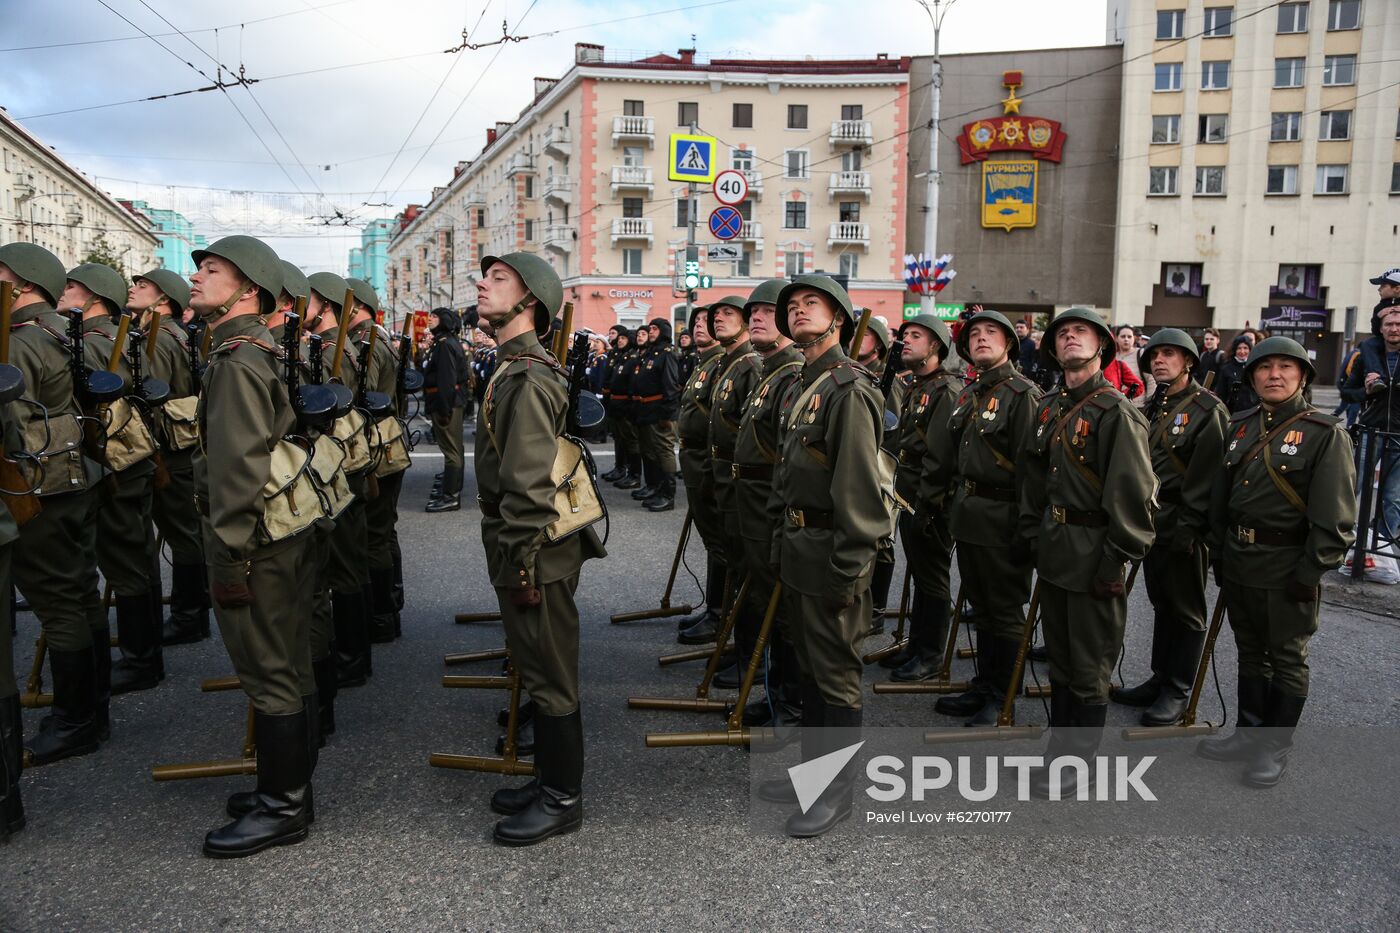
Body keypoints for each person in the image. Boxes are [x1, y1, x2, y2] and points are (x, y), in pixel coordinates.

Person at [189, 235, 318, 858]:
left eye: (212, 269)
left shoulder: (238, 361)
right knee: (288, 660)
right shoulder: (251, 350)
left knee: (268, 670)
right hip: (276, 534)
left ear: (247, 290)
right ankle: (290, 789)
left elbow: (237, 472)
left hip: (254, 541)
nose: (197, 276)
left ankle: (282, 808)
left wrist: (227, 558)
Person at [472, 252, 605, 846]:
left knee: (550, 674)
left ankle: (562, 798)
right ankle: (549, 778)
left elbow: (528, 487)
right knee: (535, 664)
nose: (483, 284)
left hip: (534, 548)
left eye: (499, 279)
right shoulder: (513, 367)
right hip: (523, 542)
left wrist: (520, 564)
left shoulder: (527, 376)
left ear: (531, 302)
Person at [756, 274, 885, 838]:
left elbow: (859, 493)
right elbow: (787, 473)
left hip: (833, 551)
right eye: (793, 305)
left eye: (813, 303)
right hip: (799, 547)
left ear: (839, 319)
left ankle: (835, 795)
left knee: (835, 677)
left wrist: (847, 571)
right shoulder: (800, 383)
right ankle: (814, 774)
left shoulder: (847, 389)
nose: (799, 310)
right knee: (810, 670)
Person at [1198, 337, 1355, 787]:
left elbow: (1335, 519)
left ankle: (1273, 748)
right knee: (1250, 650)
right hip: (1241, 560)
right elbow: (1221, 498)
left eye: (1286, 366)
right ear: (1252, 377)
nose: (1275, 375)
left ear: (1303, 376)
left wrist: (1311, 572)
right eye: (1265, 367)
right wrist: (1219, 553)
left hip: (1288, 565)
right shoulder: (1240, 425)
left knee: (1286, 657)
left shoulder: (1325, 434)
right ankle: (1248, 735)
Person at [1018, 308, 1155, 798]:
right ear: (1053, 349)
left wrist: (1114, 562)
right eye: (1062, 333)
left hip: (1096, 551)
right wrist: (1034, 536)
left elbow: (1133, 497)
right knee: (1060, 657)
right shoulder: (1049, 406)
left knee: (1090, 664)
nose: (1070, 338)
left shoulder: (1116, 412)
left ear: (1103, 346)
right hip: (1056, 547)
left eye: (1081, 331)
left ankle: (1078, 762)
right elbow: (1033, 479)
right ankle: (1058, 752)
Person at [1, 242, 108, 767]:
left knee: (58, 601)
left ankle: (74, 722)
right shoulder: (60, 331)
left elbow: (12, 427)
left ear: (23, 283)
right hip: (70, 475)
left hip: (34, 487)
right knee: (80, 591)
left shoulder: (20, 340)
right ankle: (93, 711)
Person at [1110, 329, 1227, 726]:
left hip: (1184, 523)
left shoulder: (1207, 409)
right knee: (1163, 603)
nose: (1159, 360)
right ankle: (1160, 677)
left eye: (1169, 354)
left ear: (1189, 361)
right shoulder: (1156, 406)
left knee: (1186, 609)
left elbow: (1208, 478)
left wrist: (1190, 530)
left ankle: (1177, 688)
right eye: (1155, 355)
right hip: (1154, 520)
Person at [934, 309, 1040, 724]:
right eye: (974, 333)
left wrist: (1027, 526)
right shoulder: (970, 393)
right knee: (981, 606)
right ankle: (985, 683)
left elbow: (1031, 469)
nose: (980, 338)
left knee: (1005, 610)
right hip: (971, 515)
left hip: (1004, 518)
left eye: (991, 332)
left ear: (1009, 343)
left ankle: (1003, 697)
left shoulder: (1022, 394)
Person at [66, 263, 164, 697]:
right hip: (130, 455)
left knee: (124, 562)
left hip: (115, 459)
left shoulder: (91, 343)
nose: (64, 291)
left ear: (95, 296)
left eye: (72, 286)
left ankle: (141, 660)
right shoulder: (121, 337)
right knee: (135, 555)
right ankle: (146, 654)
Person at [731, 278, 804, 737]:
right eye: (752, 312)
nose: (756, 317)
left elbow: (786, 458)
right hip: (752, 503)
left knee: (783, 611)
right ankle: (776, 694)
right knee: (764, 601)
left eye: (766, 311)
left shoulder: (792, 375)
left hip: (769, 505)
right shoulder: (768, 371)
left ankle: (790, 707)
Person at [129, 268, 210, 649]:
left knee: (183, 534)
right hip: (180, 444)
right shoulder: (174, 333)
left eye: (143, 285)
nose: (134, 288)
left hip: (168, 447)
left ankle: (188, 617)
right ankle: (192, 612)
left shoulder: (158, 338)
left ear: (164, 300)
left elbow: (151, 396)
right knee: (186, 531)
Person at [878, 314, 961, 683]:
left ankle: (930, 655)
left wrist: (928, 505)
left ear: (936, 347)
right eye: (905, 334)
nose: (906, 341)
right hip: (911, 491)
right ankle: (917, 645)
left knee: (933, 576)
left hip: (931, 499)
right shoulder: (917, 385)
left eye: (916, 335)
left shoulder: (946, 390)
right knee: (919, 571)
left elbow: (941, 457)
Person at [699, 296, 762, 670]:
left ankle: (749, 651)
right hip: (720, 471)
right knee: (730, 558)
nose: (718, 319)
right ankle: (733, 635)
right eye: (716, 314)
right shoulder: (727, 363)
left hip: (741, 479)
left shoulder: (749, 365)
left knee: (744, 566)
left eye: (728, 314)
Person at [673, 306, 728, 643]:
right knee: (710, 538)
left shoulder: (723, 364)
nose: (699, 326)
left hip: (706, 458)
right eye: (694, 321)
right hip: (692, 456)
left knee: (718, 541)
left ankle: (720, 613)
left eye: (706, 322)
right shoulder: (704, 363)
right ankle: (713, 607)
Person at [1343, 302, 1400, 546]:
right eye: (1389, 324)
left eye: (1398, 324)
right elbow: (1347, 392)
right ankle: (1343, 537)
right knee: (1353, 487)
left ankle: (1384, 546)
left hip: (1398, 434)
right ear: (1381, 328)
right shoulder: (1369, 355)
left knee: (1393, 496)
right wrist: (1366, 392)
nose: (1394, 329)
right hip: (1370, 430)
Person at [630, 318, 681, 509]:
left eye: (654, 329)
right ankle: (655, 488)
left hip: (660, 411)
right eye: (650, 328)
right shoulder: (652, 352)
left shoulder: (667, 353)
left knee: (663, 451)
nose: (651, 331)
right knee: (649, 451)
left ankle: (668, 495)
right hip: (646, 410)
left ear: (664, 331)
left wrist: (667, 415)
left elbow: (671, 386)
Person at [424, 307, 468, 512]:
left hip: (446, 402)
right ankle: (451, 490)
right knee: (454, 449)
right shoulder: (446, 342)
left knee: (451, 451)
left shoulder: (445, 345)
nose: (429, 319)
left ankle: (450, 496)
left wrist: (443, 409)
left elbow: (446, 380)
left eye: (435, 316)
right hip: (450, 401)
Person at [1106, 323, 1150, 404]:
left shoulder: (1140, 353)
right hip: (1119, 404)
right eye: (1123, 336)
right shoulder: (1111, 357)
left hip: (1139, 404)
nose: (1126, 339)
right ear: (1116, 338)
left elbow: (1150, 379)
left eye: (1129, 337)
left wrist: (1150, 400)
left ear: (1134, 338)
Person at [1216, 335, 1257, 413]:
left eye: (1245, 348)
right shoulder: (1226, 369)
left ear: (1250, 349)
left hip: (1252, 411)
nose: (1242, 351)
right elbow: (1221, 394)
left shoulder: (1255, 367)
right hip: (1232, 412)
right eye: (1239, 348)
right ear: (1235, 350)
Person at [1367, 267, 1400, 336]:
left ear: (1397, 289)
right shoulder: (1379, 307)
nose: (1379, 289)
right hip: (1386, 341)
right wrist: (1378, 317)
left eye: (1383, 286)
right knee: (1369, 342)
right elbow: (1376, 333)